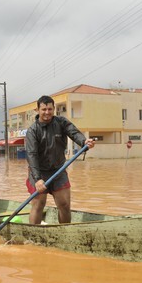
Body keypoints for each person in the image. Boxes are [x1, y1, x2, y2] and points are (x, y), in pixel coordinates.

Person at [25, 95, 95, 224]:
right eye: (44, 109)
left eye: (50, 109)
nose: (47, 112)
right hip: (39, 172)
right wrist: (38, 179)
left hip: (59, 170)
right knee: (38, 204)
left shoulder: (61, 122)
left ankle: (65, 233)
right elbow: (32, 155)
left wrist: (84, 141)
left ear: (54, 109)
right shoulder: (32, 131)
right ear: (37, 110)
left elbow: (73, 132)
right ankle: (33, 237)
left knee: (64, 205)